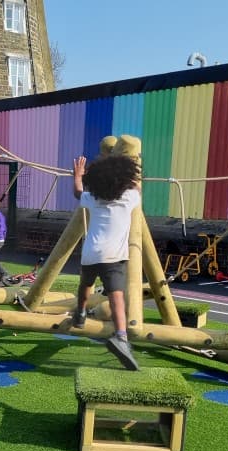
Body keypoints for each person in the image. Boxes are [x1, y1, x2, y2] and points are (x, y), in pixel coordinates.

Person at [71, 153, 141, 370]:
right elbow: (138, 187)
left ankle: (81, 312)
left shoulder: (93, 198)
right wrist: (136, 170)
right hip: (114, 256)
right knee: (116, 296)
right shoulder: (128, 199)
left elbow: (77, 192)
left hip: (91, 253)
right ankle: (121, 335)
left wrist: (78, 175)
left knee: (86, 284)